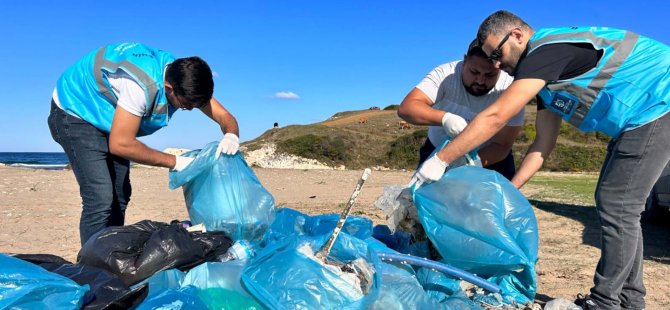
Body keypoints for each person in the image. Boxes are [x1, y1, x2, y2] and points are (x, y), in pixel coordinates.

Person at [415, 10, 670, 310]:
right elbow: (542, 145)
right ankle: (629, 299)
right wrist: (511, 188)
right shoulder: (545, 81)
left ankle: (605, 302)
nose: (496, 64)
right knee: (619, 205)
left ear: (518, 35)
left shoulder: (544, 52)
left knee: (617, 204)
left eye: (497, 54)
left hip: (658, 104)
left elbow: (496, 117)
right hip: (640, 118)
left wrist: (441, 159)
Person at [48, 43, 241, 246]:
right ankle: (92, 267)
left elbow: (224, 115)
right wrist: (175, 162)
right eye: (186, 105)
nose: (190, 109)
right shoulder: (140, 86)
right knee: (100, 197)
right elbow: (121, 144)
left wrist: (231, 135)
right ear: (169, 89)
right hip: (75, 109)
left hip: (107, 115)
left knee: (120, 194)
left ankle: (109, 252)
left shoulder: (186, 77)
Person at [398, 40, 523, 180]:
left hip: (490, 157)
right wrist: (445, 118)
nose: (480, 81)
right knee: (425, 199)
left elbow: (502, 145)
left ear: (499, 68)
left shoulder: (511, 88)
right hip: (437, 149)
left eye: (489, 75)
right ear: (465, 61)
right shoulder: (445, 74)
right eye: (474, 71)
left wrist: (467, 163)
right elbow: (407, 107)